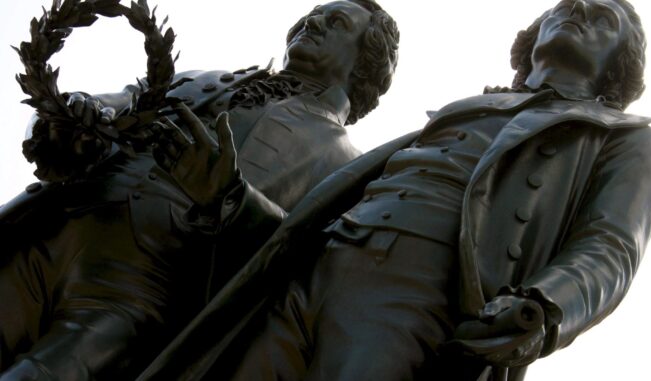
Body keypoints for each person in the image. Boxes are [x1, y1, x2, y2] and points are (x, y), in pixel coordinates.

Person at [137, 1, 651, 380]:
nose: (577, 11)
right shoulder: (467, 110)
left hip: (419, 297)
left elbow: (611, 247)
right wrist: (230, 196)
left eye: (603, 18)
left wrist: (546, 307)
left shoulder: (631, 142)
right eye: (568, 5)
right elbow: (313, 212)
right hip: (315, 268)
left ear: (619, 65)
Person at [0, 1, 399, 380]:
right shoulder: (198, 78)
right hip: (48, 224)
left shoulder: (346, 165)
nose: (311, 23)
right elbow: (103, 105)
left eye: (337, 23)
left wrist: (229, 197)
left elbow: (310, 265)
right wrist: (70, 117)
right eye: (313, 15)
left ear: (366, 63)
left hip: (133, 293)